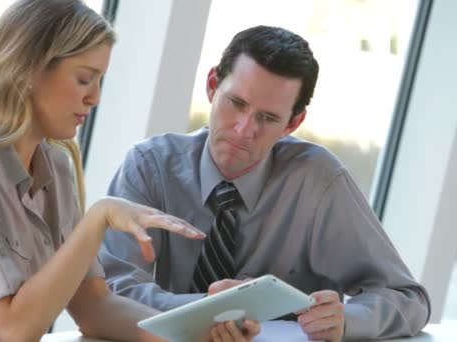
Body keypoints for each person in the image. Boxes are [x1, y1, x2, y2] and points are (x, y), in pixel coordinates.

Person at [0, 1, 260, 341]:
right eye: (84, 79)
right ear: (28, 70)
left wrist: (196, 331)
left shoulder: (54, 163)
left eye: (100, 80)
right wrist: (97, 220)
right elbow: (13, 327)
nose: (95, 97)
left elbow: (93, 307)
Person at [99, 25, 431, 342]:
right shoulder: (150, 167)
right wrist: (202, 310)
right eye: (237, 103)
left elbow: (408, 299)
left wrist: (347, 318)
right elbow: (112, 288)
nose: (244, 130)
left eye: (268, 118)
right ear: (213, 85)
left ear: (293, 122)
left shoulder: (318, 181)